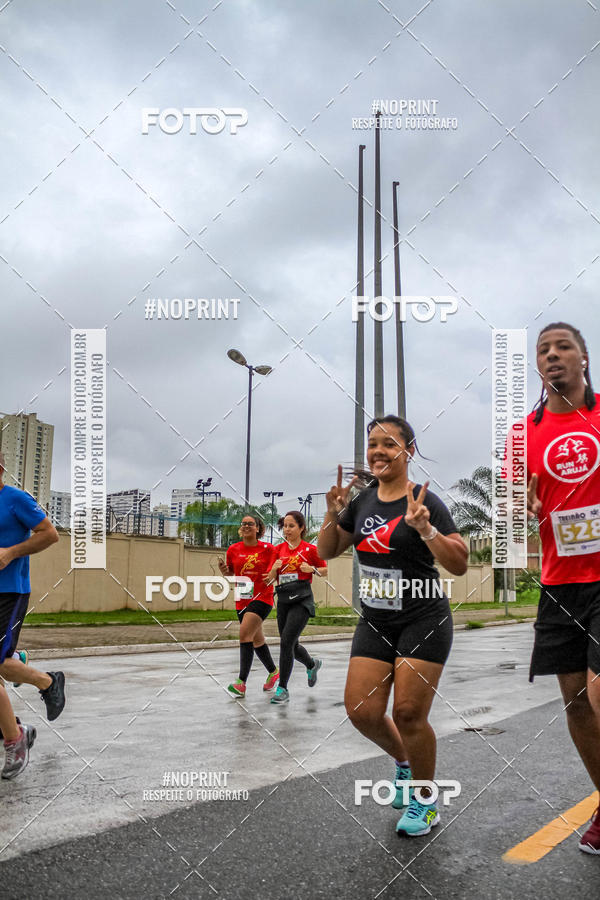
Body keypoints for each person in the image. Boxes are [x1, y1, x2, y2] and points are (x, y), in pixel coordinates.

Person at [317, 415, 467, 836]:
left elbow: (458, 563)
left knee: (407, 711)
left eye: (389, 443)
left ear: (409, 450)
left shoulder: (425, 500)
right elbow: (327, 551)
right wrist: (333, 514)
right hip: (377, 619)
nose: (379, 451)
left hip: (424, 616)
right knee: (361, 711)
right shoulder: (362, 502)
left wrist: (425, 528)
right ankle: (404, 764)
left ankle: (426, 801)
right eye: (373, 444)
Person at [526, 322, 600, 855]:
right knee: (576, 702)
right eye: (544, 350)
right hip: (559, 583)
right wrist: (521, 512)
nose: (553, 356)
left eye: (563, 348)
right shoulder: (522, 434)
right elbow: (514, 509)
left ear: (584, 358)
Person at [0, 451, 66, 779]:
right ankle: (23, 666)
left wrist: (10, 553)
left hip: (9, 591)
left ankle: (16, 737)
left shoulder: (16, 499)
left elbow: (49, 534)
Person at [266, 511, 327, 705]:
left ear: (301, 528)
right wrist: (274, 570)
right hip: (284, 598)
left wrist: (313, 569)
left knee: (286, 642)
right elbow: (269, 578)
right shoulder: (278, 550)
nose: (287, 529)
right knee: (291, 644)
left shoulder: (310, 549)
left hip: (302, 599)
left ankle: (282, 688)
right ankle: (311, 664)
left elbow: (324, 570)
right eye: (284, 526)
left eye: (291, 526)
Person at [218, 513, 279, 698]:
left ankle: (241, 683)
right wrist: (224, 571)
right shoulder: (233, 549)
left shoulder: (268, 549)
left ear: (258, 528)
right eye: (243, 524)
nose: (246, 527)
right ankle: (273, 672)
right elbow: (230, 573)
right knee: (256, 640)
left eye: (250, 524)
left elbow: (279, 565)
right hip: (242, 597)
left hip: (262, 597)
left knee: (244, 634)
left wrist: (273, 573)